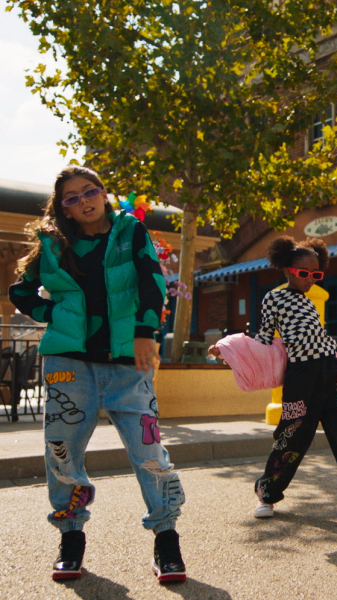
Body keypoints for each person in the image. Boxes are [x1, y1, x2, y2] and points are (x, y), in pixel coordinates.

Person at [10, 166, 186, 583]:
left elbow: (151, 281)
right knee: (62, 451)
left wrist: (146, 333)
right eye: (71, 198)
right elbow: (20, 290)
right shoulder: (53, 244)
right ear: (64, 209)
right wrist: (55, 313)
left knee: (150, 454)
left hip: (129, 363)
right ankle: (71, 537)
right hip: (68, 365)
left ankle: (167, 539)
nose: (84, 200)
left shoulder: (131, 232)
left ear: (104, 193)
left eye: (90, 191)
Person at [210, 236, 337, 520]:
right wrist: (226, 348)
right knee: (289, 438)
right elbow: (264, 339)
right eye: (304, 273)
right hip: (301, 376)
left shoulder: (308, 302)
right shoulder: (274, 298)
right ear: (287, 269)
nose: (310, 280)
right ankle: (267, 495)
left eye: (316, 274)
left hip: (331, 372)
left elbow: (318, 338)